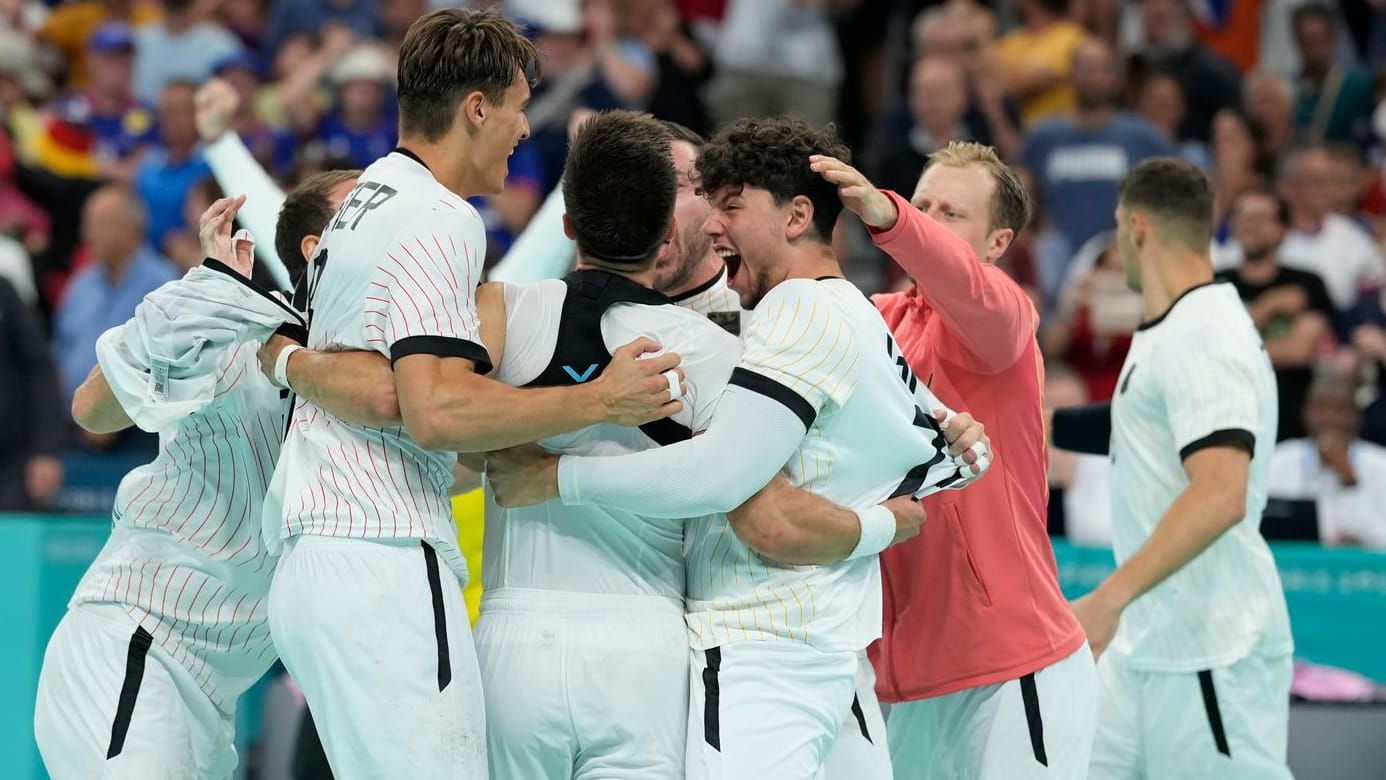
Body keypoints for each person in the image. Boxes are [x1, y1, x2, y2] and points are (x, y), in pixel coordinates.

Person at [485, 115, 990, 779]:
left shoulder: (776, 316)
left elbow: (750, 502)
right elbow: (941, 440)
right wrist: (934, 457)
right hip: (816, 644)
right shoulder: (835, 311)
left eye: (723, 201)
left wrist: (556, 476)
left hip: (755, 646)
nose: (712, 220)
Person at [254, 10, 685, 776]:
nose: (524, 130)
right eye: (518, 107)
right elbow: (434, 409)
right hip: (381, 553)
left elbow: (386, 390)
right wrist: (601, 400)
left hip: (312, 554)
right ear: (476, 108)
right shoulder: (440, 218)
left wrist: (291, 364)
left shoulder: (366, 199)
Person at [33, 174, 395, 779]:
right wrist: (206, 294)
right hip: (137, 647)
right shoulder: (233, 326)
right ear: (317, 248)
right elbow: (92, 407)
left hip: (215, 695)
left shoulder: (384, 371)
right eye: (366, 207)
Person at [472, 109, 741, 780]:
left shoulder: (501, 312)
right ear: (664, 233)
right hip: (644, 646)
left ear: (567, 225)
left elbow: (440, 442)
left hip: (515, 641)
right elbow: (731, 490)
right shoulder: (713, 350)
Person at [818, 141, 1095, 778]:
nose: (929, 220)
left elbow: (966, 286)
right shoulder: (877, 319)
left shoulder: (1005, 317)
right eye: (923, 204)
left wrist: (889, 217)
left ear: (997, 243)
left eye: (951, 214)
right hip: (914, 679)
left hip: (1015, 665)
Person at [1049, 157, 1293, 778]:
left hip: (1213, 646)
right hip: (1147, 642)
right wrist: (1032, 424)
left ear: (1135, 227)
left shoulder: (1206, 337)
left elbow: (1220, 494)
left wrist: (1108, 599)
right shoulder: (1173, 328)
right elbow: (1144, 426)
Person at [1215, 188, 1336, 441]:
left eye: (1260, 217)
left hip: (1291, 424)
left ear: (1283, 228)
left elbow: (1301, 351)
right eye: (1241, 216)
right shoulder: (1214, 283)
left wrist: (1233, 348)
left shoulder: (1307, 283)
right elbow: (1213, 355)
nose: (1249, 225)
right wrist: (1269, 307)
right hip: (1225, 421)